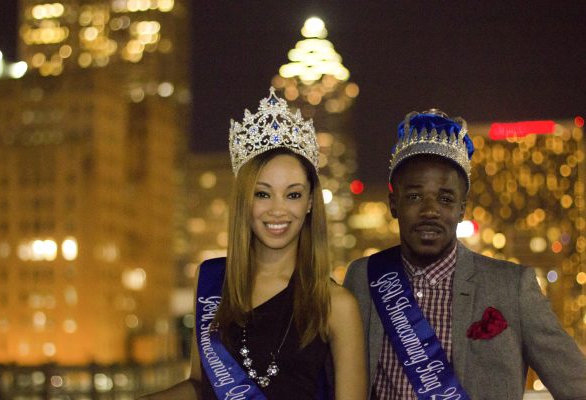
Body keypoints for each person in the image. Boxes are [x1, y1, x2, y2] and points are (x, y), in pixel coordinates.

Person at [344, 109, 586, 400]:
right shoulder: (364, 277)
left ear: (462, 209)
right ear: (393, 204)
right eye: (414, 196)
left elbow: (576, 384)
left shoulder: (512, 287)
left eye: (445, 199)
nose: (430, 210)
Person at [141, 88, 366, 400]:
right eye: (263, 193)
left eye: (293, 194)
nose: (278, 209)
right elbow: (199, 386)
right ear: (245, 201)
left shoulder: (336, 305)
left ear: (311, 202)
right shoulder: (213, 282)